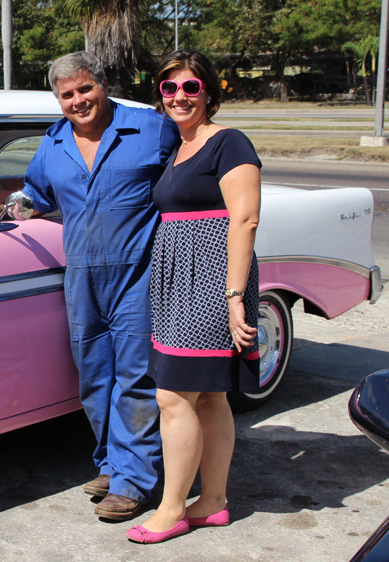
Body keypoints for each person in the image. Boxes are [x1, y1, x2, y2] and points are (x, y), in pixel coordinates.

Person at [0, 51, 180, 521]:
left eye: (85, 88)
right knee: (94, 378)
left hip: (139, 273)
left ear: (104, 84)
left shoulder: (151, 129)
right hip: (83, 277)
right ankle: (112, 464)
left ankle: (135, 481)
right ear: (58, 99)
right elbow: (36, 193)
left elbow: (190, 170)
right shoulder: (53, 144)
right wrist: (10, 208)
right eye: (67, 94)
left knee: (135, 378)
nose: (78, 100)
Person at [125, 49, 261, 544]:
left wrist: (234, 296)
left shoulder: (228, 143)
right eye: (169, 87)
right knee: (208, 395)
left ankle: (171, 508)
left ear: (209, 92)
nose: (179, 96)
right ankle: (215, 502)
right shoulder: (178, 147)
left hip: (211, 281)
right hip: (177, 282)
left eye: (190, 87)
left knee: (173, 395)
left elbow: (244, 219)